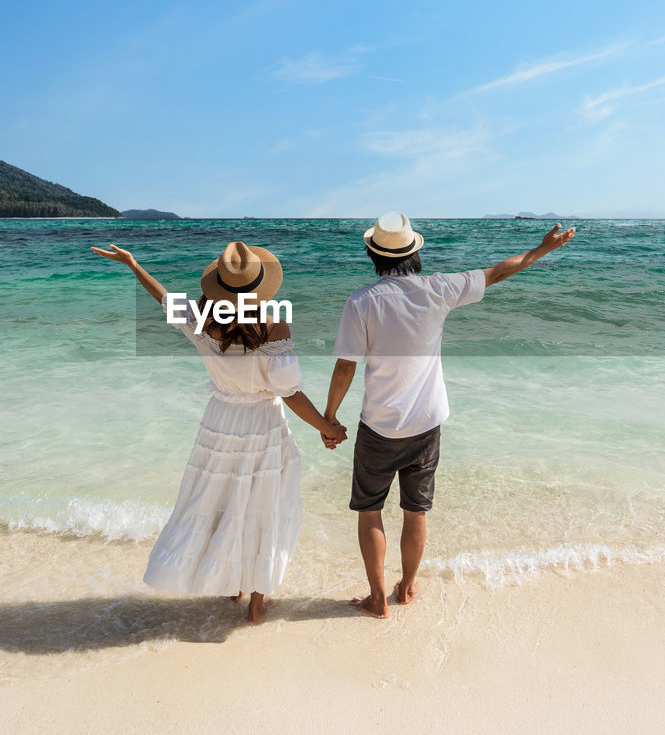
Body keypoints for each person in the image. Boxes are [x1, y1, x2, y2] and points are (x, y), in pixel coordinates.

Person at [323, 212, 575, 618]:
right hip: (427, 423)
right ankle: (405, 587)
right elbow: (498, 272)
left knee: (370, 509)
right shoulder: (440, 288)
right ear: (414, 253)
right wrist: (542, 249)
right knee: (415, 510)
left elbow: (346, 367)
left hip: (380, 427)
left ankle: (376, 599)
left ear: (373, 254)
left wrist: (329, 418)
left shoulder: (361, 302)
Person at [92, 240, 346, 624]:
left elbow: (163, 298)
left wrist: (132, 263)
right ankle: (257, 604)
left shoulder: (202, 320)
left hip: (220, 421)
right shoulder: (273, 325)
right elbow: (289, 392)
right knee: (263, 507)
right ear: (262, 285)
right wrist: (326, 426)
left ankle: (232, 585)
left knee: (223, 502)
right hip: (262, 424)